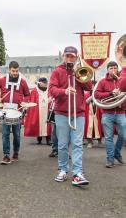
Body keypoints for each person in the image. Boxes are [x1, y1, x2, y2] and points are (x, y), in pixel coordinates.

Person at [49, 46, 92, 186]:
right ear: (63, 57)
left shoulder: (80, 71)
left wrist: (78, 75)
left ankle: (77, 173)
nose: (69, 58)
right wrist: (64, 91)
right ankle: (62, 169)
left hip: (78, 113)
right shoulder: (57, 71)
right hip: (62, 113)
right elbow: (52, 90)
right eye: (67, 56)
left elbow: (89, 87)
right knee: (62, 144)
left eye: (72, 56)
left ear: (76, 57)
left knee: (77, 144)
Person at [0, 61, 30, 164]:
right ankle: (6, 155)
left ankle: (16, 152)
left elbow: (27, 95)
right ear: (9, 69)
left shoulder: (23, 82)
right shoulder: (2, 80)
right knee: (5, 134)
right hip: (5, 111)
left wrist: (25, 101)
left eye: (17, 71)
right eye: (13, 71)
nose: (15, 73)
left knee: (17, 135)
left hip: (17, 111)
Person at [94, 61, 126, 168]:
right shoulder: (102, 81)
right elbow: (96, 94)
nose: (113, 70)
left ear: (118, 69)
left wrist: (121, 96)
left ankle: (116, 153)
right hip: (107, 113)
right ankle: (110, 159)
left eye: (115, 68)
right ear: (107, 70)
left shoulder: (122, 81)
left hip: (121, 112)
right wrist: (111, 93)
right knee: (108, 138)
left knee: (123, 135)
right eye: (111, 68)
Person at [24, 77, 51, 145]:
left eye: (46, 83)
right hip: (38, 110)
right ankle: (39, 139)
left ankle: (48, 139)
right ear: (40, 83)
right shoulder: (34, 91)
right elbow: (32, 101)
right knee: (37, 123)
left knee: (47, 124)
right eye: (43, 83)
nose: (45, 84)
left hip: (47, 110)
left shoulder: (49, 90)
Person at [84, 84, 103, 148]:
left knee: (98, 127)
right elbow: (86, 102)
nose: (93, 87)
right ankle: (90, 142)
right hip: (89, 113)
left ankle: (99, 141)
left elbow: (101, 102)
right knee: (89, 127)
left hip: (97, 113)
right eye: (92, 86)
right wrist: (92, 96)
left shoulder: (99, 93)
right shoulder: (86, 94)